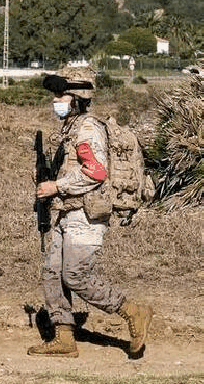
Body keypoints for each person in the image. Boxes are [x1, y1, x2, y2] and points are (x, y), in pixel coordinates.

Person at [29, 65, 152, 358]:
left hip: (86, 216)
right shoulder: (72, 128)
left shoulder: (87, 129)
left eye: (61, 94)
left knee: (75, 276)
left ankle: (132, 311)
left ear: (76, 98)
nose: (56, 100)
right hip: (70, 212)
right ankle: (64, 336)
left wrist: (56, 186)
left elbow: (96, 172)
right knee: (51, 274)